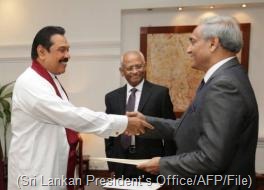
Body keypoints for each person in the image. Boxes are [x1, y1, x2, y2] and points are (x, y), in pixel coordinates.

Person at [8, 26, 153, 190]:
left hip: (52, 170)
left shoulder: (50, 80)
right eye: (62, 50)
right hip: (35, 174)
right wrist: (123, 123)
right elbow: (71, 116)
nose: (67, 56)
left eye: (68, 50)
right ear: (42, 52)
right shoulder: (30, 83)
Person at [130, 15, 259, 190]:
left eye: (193, 41)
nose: (188, 50)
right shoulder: (223, 77)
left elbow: (211, 158)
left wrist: (163, 164)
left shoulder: (224, 85)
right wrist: (145, 122)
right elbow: (189, 127)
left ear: (213, 43)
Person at [104, 50, 176, 181]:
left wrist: (166, 165)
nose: (135, 71)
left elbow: (170, 132)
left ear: (145, 66)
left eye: (139, 66)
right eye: (130, 68)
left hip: (151, 163)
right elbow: (108, 134)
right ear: (122, 71)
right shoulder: (111, 97)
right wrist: (112, 166)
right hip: (121, 164)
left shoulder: (160, 94)